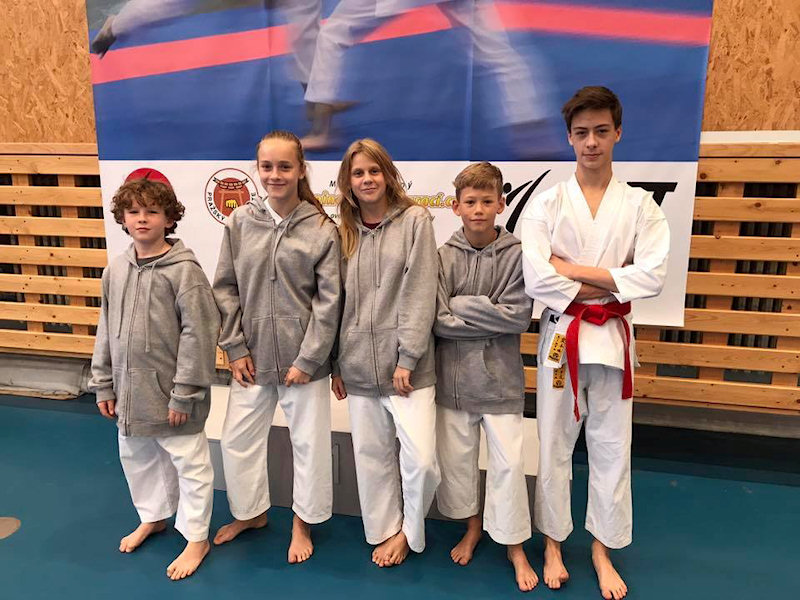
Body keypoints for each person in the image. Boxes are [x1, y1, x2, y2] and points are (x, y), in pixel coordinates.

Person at [519, 86, 670, 600]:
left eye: (601, 131)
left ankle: (602, 549)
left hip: (612, 341)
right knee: (554, 443)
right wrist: (611, 279)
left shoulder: (641, 206)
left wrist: (571, 269)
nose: (591, 142)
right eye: (582, 133)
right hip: (564, 336)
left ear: (617, 133)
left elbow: (651, 277)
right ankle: (553, 543)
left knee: (611, 446)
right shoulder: (547, 204)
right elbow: (537, 279)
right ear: (569, 137)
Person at [212, 130, 341, 563]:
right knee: (237, 440)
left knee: (309, 445)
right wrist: (234, 347)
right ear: (257, 169)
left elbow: (329, 301)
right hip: (252, 358)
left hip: (304, 363)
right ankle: (251, 514)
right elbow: (225, 287)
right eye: (267, 166)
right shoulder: (239, 222)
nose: (275, 175)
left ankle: (303, 523)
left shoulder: (321, 228)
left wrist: (309, 358)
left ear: (301, 169)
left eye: (285, 166)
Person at [89, 178, 220, 580]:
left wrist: (185, 394)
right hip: (130, 393)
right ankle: (154, 516)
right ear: (123, 219)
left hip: (172, 394)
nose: (142, 219)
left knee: (190, 464)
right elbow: (106, 327)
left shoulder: (185, 273)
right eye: (133, 212)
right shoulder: (116, 270)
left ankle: (196, 537)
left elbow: (200, 334)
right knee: (138, 457)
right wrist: (104, 382)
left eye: (152, 211)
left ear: (169, 218)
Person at [331, 138, 440, 567]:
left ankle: (410, 532)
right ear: (347, 182)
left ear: (388, 174)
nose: (367, 179)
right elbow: (335, 302)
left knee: (422, 461)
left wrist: (407, 357)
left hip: (407, 371)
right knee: (372, 458)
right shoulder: (341, 231)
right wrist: (336, 362)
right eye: (358, 173)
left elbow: (420, 291)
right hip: (357, 365)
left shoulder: (416, 221)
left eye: (374, 171)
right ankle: (383, 530)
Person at [433, 162, 537, 591]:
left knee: (509, 465)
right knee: (459, 464)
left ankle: (514, 544)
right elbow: (437, 320)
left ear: (501, 204)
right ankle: (473, 527)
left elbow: (517, 317)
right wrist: (483, 313)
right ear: (456, 207)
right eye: (470, 202)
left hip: (501, 382)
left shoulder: (517, 255)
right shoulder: (442, 256)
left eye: (487, 201)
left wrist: (460, 304)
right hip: (454, 383)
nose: (479, 209)